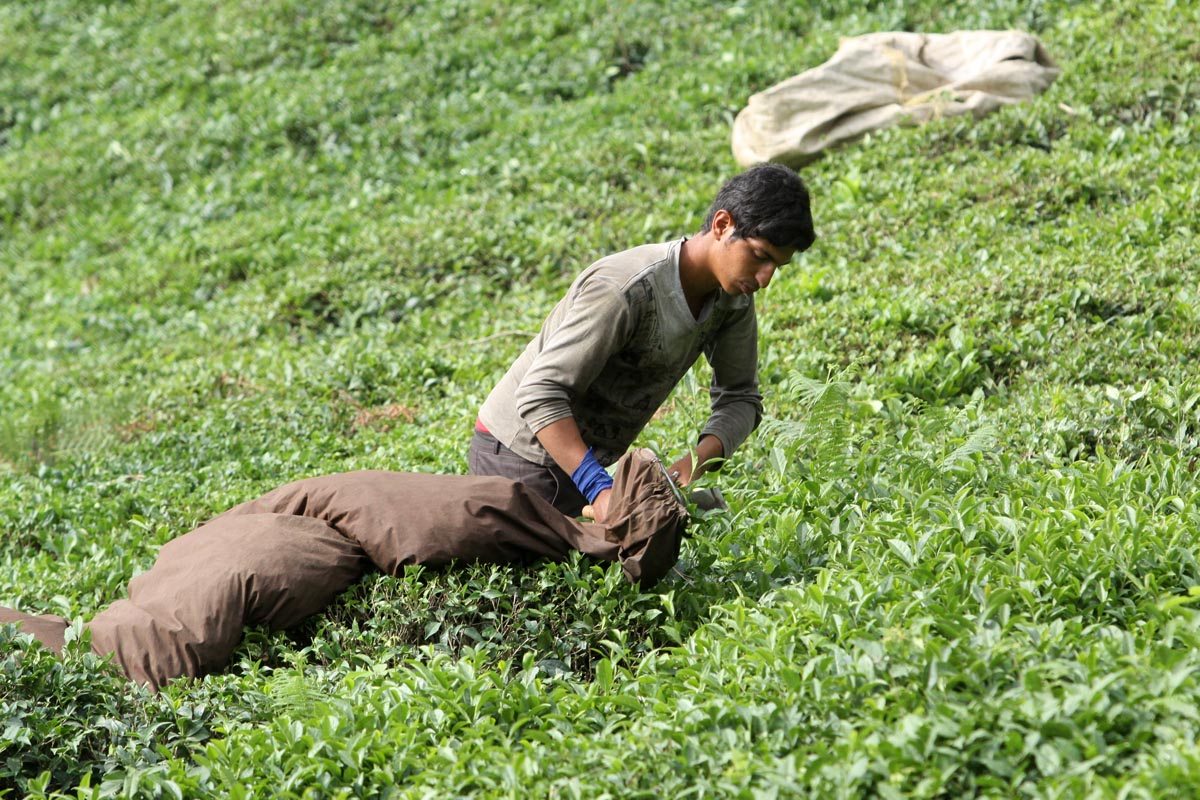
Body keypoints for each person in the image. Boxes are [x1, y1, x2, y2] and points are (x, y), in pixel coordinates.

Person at [469, 163, 815, 521]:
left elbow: (741, 397)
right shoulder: (625, 288)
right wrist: (599, 489)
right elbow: (539, 392)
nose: (765, 279)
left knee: (675, 526)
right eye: (760, 256)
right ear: (722, 225)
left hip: (583, 467)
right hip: (518, 456)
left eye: (777, 266)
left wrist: (691, 466)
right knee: (616, 559)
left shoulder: (734, 297)